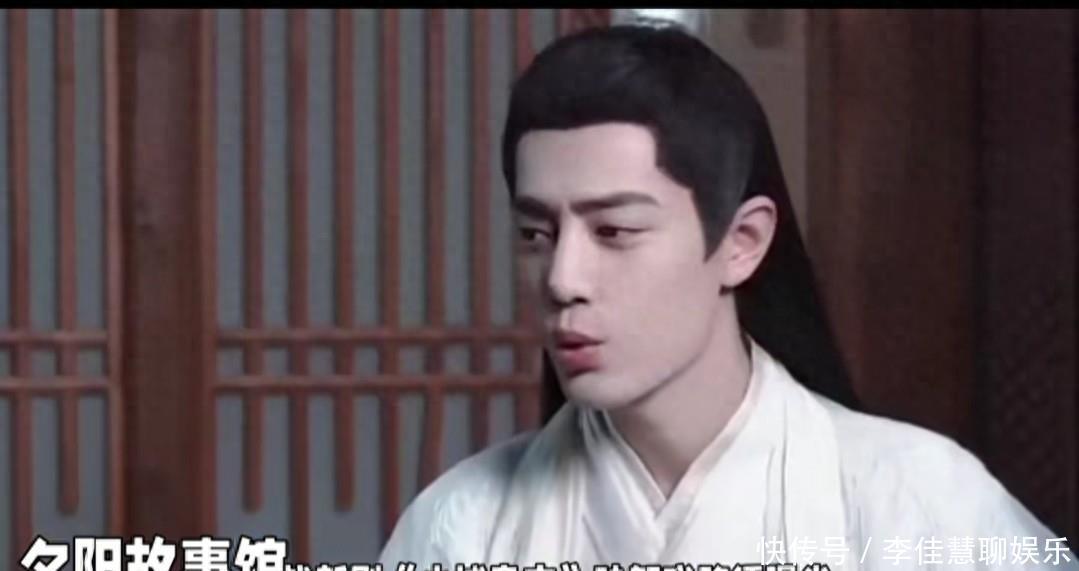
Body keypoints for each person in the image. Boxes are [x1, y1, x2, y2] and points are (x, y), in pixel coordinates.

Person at [379, 20, 1076, 570]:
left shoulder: (921, 502)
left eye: (614, 230)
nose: (562, 277)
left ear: (742, 241)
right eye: (536, 234)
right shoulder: (461, 526)